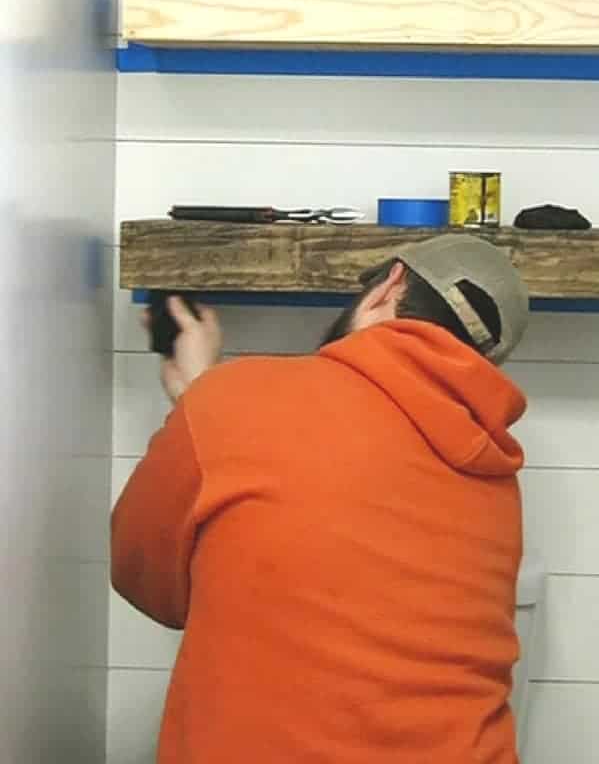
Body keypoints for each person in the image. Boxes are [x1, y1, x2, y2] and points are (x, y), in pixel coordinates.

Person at [111, 234, 530, 763]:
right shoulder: (495, 481)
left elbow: (144, 581)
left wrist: (201, 401)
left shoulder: (235, 398)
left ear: (388, 287)